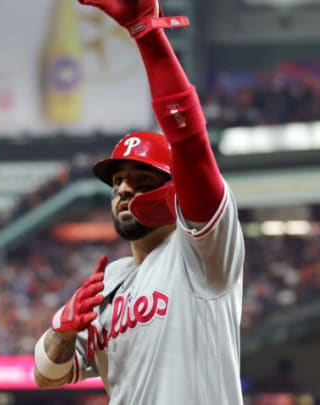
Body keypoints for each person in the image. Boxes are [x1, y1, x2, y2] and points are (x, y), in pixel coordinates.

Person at [32, 0, 246, 403]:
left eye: (143, 179)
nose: (125, 190)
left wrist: (148, 36)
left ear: (175, 188)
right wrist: (63, 329)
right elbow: (46, 375)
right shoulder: (110, 282)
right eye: (118, 182)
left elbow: (189, 140)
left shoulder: (201, 253)